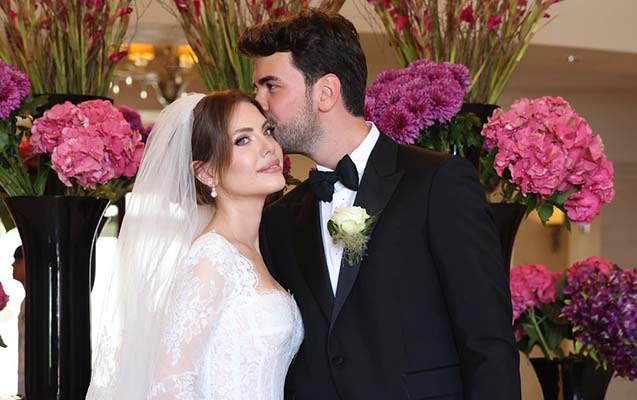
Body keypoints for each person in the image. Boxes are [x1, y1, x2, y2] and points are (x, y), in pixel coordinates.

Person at [239, 9, 521, 400]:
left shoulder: (438, 183)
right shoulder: (278, 220)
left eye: (271, 86)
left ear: (326, 93)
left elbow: (487, 341)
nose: (259, 102)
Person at [86, 90, 303, 399]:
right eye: (243, 140)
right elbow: (169, 386)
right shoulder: (212, 257)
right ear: (206, 172)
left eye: (267, 131)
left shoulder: (259, 250)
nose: (268, 147)